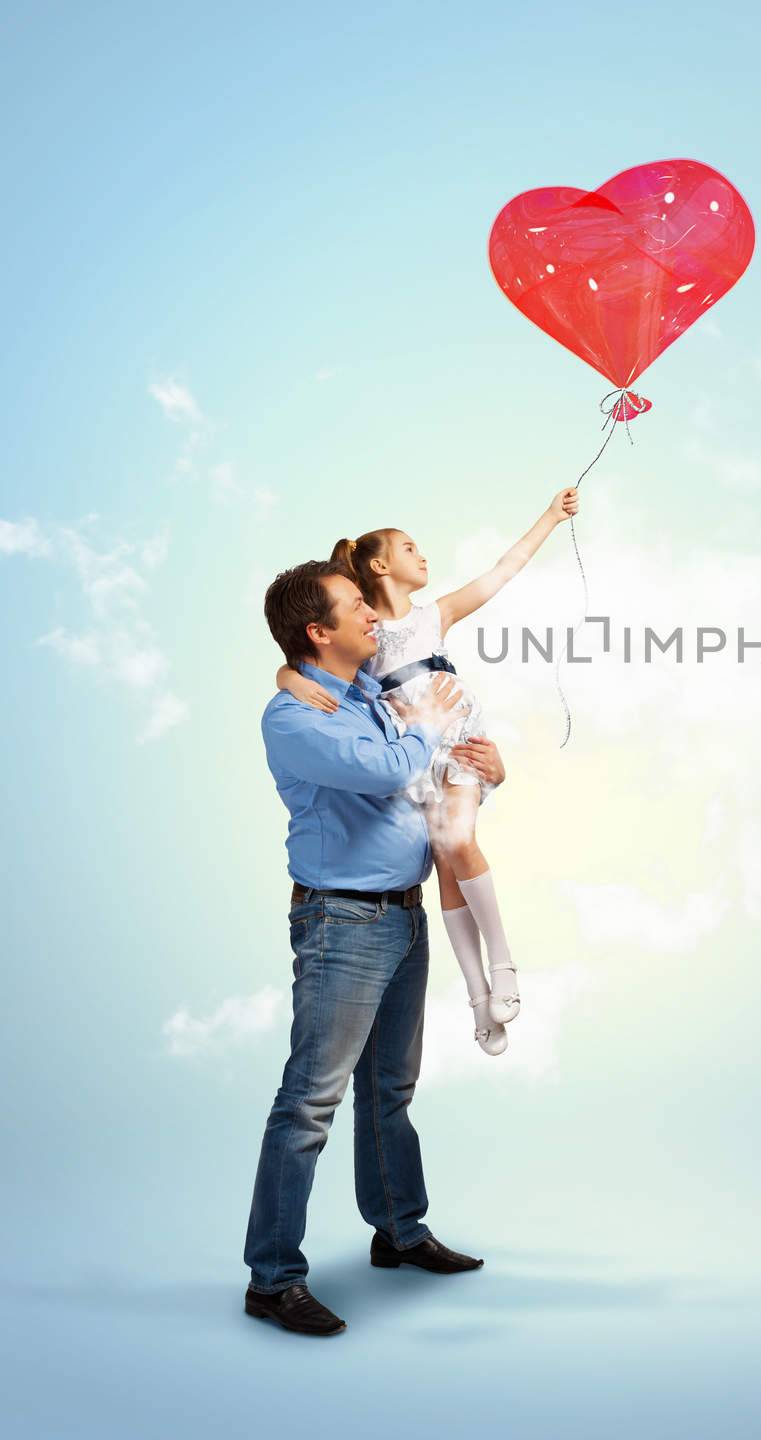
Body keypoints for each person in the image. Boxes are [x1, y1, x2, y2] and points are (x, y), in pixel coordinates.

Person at [242, 560, 507, 1338]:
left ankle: (400, 1232)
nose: (377, 618)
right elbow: (390, 767)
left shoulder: (354, 691)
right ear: (318, 631)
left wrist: (492, 767)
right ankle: (272, 1279)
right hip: (342, 925)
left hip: (404, 914)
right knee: (310, 1103)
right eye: (358, 607)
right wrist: (427, 720)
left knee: (390, 1089)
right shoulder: (292, 718)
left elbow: (435, 778)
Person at [273, 488, 577, 1058]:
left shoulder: (434, 615)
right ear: (380, 565)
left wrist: (551, 517)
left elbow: (504, 570)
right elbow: (303, 658)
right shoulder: (361, 639)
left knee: (459, 841)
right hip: (419, 753)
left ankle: (504, 964)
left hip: (459, 742)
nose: (424, 555)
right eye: (409, 547)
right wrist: (286, 679)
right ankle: (478, 995)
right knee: (443, 861)